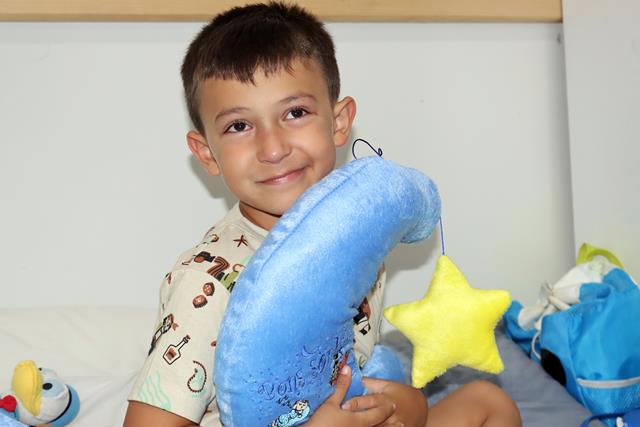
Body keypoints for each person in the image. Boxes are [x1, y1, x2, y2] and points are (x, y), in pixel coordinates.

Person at [123, 3, 522, 427]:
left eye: (295, 113)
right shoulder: (207, 283)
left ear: (339, 122)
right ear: (206, 153)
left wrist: (403, 405)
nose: (273, 148)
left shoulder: (356, 241)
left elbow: (360, 376)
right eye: (239, 126)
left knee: (487, 402)